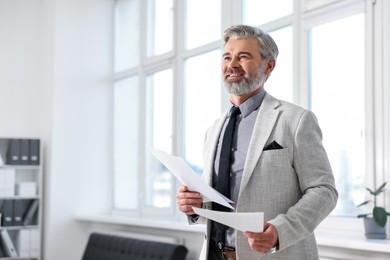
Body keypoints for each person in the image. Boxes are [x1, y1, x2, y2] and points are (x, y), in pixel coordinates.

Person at [176, 24, 338, 260]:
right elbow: (219, 201)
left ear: (268, 66)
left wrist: (280, 231)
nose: (232, 65)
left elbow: (324, 191)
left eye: (243, 57)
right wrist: (194, 206)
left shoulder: (296, 120)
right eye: (227, 57)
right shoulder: (214, 130)